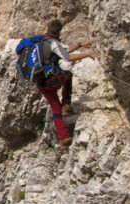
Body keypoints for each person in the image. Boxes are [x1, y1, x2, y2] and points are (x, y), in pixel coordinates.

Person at [35, 19, 98, 148]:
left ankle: (64, 139)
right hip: (51, 80)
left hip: (40, 82)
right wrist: (87, 55)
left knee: (55, 107)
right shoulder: (53, 43)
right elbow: (67, 57)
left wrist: (80, 44)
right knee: (68, 74)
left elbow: (65, 50)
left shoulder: (41, 41)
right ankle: (66, 104)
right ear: (59, 32)